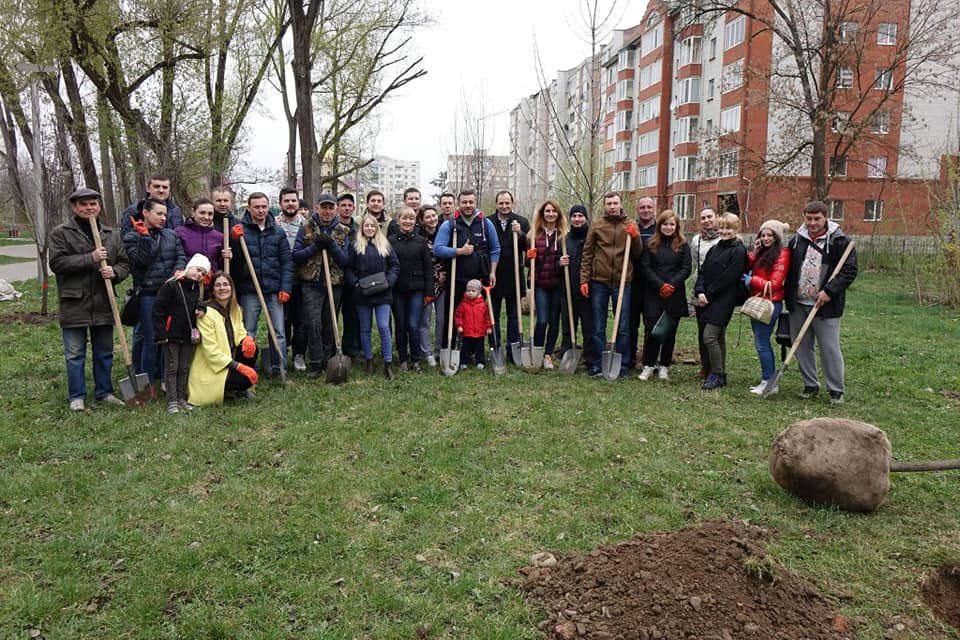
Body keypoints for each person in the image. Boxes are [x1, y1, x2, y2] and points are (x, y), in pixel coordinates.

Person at [49, 188, 130, 410]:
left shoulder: (111, 234)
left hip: (104, 302)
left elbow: (124, 263)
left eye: (93, 204)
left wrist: (114, 272)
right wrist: (90, 258)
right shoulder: (61, 233)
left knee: (104, 351)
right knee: (75, 353)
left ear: (99, 206)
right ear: (75, 208)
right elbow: (57, 264)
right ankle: (77, 396)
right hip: (75, 302)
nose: (89, 208)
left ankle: (104, 392)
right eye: (83, 204)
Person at [784, 200, 858, 403]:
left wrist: (830, 291)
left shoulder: (839, 241)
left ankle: (836, 390)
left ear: (825, 218)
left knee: (829, 348)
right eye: (809, 218)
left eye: (817, 218)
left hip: (825, 305)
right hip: (798, 303)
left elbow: (849, 270)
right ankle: (810, 385)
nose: (812, 223)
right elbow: (788, 267)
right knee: (802, 346)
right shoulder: (797, 240)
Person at [229, 192, 294, 377]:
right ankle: (246, 369)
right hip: (250, 290)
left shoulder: (277, 231)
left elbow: (287, 262)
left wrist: (285, 288)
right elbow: (234, 262)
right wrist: (234, 241)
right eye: (256, 207)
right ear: (249, 207)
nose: (261, 210)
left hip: (274, 290)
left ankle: (279, 368)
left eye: (264, 206)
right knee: (248, 331)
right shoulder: (240, 230)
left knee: (279, 332)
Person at [579, 192, 642, 378]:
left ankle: (622, 365)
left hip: (623, 282)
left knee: (623, 326)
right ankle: (598, 364)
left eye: (615, 203)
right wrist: (584, 279)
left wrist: (636, 237)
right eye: (609, 203)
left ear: (621, 205)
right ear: (605, 206)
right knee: (598, 325)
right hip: (599, 281)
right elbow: (587, 253)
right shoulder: (597, 225)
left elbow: (638, 254)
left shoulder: (629, 225)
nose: (612, 206)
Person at [124, 197, 186, 382]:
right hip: (148, 294)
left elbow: (180, 255)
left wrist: (179, 270)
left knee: (168, 338)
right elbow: (140, 261)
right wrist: (144, 237)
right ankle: (146, 380)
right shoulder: (132, 237)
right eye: (159, 213)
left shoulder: (170, 235)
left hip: (169, 292)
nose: (163, 218)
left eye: (165, 214)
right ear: (145, 212)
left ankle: (163, 376)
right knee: (151, 339)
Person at [292, 193, 351, 378]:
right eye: (324, 207)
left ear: (336, 209)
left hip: (334, 284)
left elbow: (345, 261)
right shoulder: (306, 227)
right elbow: (296, 256)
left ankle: (329, 360)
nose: (327, 211)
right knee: (313, 324)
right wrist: (315, 247)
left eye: (330, 208)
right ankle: (316, 362)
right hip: (312, 284)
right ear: (317, 207)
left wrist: (332, 246)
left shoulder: (343, 231)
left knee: (330, 323)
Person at [432, 189, 501, 348]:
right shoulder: (450, 224)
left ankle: (475, 350)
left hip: (479, 280)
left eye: (471, 202)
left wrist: (492, 271)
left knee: (478, 316)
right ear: (458, 203)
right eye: (464, 202)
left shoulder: (485, 223)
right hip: (457, 278)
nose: (468, 205)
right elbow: (438, 248)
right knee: (453, 315)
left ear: (475, 202)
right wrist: (459, 251)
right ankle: (448, 347)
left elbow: (495, 249)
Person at [693, 213, 747, 390]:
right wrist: (700, 291)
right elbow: (703, 272)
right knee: (719, 338)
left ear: (736, 229)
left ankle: (716, 374)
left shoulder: (738, 250)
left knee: (709, 336)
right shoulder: (715, 248)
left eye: (728, 228)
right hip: (707, 297)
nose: (724, 231)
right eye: (722, 228)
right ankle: (721, 374)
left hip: (724, 300)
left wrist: (708, 294)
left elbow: (729, 278)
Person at [188, 271, 260, 405]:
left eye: (226, 284)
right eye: (218, 285)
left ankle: (237, 389)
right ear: (213, 290)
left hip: (229, 356)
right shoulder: (206, 313)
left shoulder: (235, 308)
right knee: (245, 379)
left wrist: (246, 339)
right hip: (212, 367)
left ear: (231, 288)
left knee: (252, 350)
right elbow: (211, 352)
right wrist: (239, 367)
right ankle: (231, 388)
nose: (222, 288)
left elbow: (239, 331)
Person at [637, 210, 691, 381]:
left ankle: (664, 366)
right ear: (660, 225)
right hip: (654, 292)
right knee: (652, 330)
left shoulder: (683, 245)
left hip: (674, 294)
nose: (668, 227)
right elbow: (645, 267)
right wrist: (660, 285)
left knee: (669, 332)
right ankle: (648, 365)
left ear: (676, 227)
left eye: (671, 224)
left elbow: (686, 268)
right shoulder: (650, 244)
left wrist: (671, 285)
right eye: (665, 224)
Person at [152, 254, 210, 413]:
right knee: (172, 367)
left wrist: (202, 309)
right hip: (171, 335)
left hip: (189, 336)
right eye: (198, 270)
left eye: (203, 273)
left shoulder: (199, 288)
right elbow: (157, 310)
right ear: (189, 266)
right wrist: (161, 333)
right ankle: (172, 400)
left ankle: (181, 397)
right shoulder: (171, 285)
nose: (199, 274)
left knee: (184, 367)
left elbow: (203, 302)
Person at [346, 214, 400, 378]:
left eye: (372, 226)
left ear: (377, 228)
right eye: (366, 226)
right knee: (365, 329)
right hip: (363, 293)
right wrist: (355, 284)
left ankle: (387, 363)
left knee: (384, 327)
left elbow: (395, 265)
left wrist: (389, 282)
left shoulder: (385, 245)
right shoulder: (355, 246)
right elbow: (348, 268)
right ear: (362, 228)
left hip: (383, 292)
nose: (369, 228)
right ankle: (369, 361)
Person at [743, 219, 791, 396]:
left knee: (762, 343)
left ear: (777, 236)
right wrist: (754, 252)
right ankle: (767, 380)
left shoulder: (782, 254)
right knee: (760, 342)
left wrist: (752, 281)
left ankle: (768, 382)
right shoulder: (763, 253)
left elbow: (776, 283)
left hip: (770, 303)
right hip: (757, 302)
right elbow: (746, 265)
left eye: (770, 235)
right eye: (763, 235)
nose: (765, 238)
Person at [389, 206, 434, 373]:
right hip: (398, 290)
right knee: (400, 325)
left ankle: (415, 360)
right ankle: (402, 359)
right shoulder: (391, 241)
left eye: (411, 219)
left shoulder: (421, 241)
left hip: (417, 289)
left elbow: (428, 267)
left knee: (413, 325)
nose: (408, 222)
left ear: (415, 221)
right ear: (398, 220)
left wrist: (429, 292)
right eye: (404, 218)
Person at [488, 190, 529, 363]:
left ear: (513, 203)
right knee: (493, 315)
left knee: (514, 315)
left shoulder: (521, 221)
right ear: (496, 204)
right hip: (494, 275)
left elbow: (528, 245)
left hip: (514, 275)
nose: (504, 206)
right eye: (501, 203)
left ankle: (513, 350)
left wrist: (520, 234)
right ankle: (495, 347)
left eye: (507, 203)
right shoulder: (488, 222)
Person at [527, 199, 568, 370]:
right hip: (541, 284)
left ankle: (548, 355)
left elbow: (563, 261)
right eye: (547, 211)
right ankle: (536, 351)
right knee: (542, 320)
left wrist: (562, 262)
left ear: (558, 214)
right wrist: (528, 257)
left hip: (557, 284)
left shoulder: (564, 236)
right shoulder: (533, 236)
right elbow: (526, 263)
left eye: (554, 211)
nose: (550, 214)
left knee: (553, 321)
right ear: (542, 214)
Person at [275, 187, 307, 371]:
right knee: (282, 320)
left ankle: (299, 355)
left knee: (301, 321)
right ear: (280, 203)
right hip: (280, 281)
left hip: (302, 280)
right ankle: (281, 354)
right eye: (286, 201)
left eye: (293, 200)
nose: (290, 204)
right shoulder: (274, 224)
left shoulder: (307, 225)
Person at [559, 204, 594, 367]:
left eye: (580, 216)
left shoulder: (592, 238)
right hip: (568, 290)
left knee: (589, 327)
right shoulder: (565, 240)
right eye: (574, 216)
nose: (577, 219)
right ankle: (568, 353)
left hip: (588, 291)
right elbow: (555, 266)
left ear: (586, 218)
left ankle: (589, 356)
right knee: (567, 325)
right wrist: (560, 263)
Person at [688, 207, 722, 379]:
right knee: (702, 331)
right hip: (699, 288)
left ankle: (718, 368)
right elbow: (696, 264)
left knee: (715, 333)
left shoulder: (724, 239)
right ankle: (705, 366)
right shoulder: (696, 241)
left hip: (717, 291)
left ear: (716, 217)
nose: (707, 220)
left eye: (710, 217)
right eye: (703, 218)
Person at [627, 196, 657, 371]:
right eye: (642, 207)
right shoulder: (632, 228)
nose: (645, 210)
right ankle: (630, 357)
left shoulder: (659, 229)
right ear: (637, 210)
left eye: (649, 207)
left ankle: (648, 359)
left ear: (653, 209)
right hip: (632, 282)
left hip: (652, 284)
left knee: (650, 323)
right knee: (631, 323)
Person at [418, 204, 446, 367]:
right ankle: (426, 352)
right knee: (425, 320)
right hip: (426, 283)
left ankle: (439, 350)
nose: (432, 219)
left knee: (441, 319)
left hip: (443, 283)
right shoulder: (419, 237)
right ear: (422, 220)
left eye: (434, 215)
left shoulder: (444, 233)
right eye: (427, 217)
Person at [336, 193, 361, 359]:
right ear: (338, 207)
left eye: (349, 206)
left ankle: (351, 349)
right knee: (332, 314)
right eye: (343, 205)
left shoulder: (358, 230)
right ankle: (331, 348)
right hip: (335, 278)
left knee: (352, 316)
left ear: (354, 208)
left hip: (353, 279)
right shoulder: (333, 227)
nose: (346, 208)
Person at [176, 198, 230, 271]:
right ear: (193, 212)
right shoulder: (179, 233)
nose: (206, 217)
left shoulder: (219, 237)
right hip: (186, 279)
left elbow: (220, 265)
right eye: (202, 213)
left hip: (211, 280)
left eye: (210, 214)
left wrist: (226, 258)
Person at [454, 279, 493, 369]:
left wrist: (488, 327)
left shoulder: (482, 305)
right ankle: (464, 362)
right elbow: (458, 316)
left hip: (480, 332)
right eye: (468, 291)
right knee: (465, 348)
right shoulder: (463, 305)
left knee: (480, 348)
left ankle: (480, 361)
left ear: (479, 292)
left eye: (473, 291)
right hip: (467, 332)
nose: (470, 293)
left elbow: (487, 317)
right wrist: (459, 326)